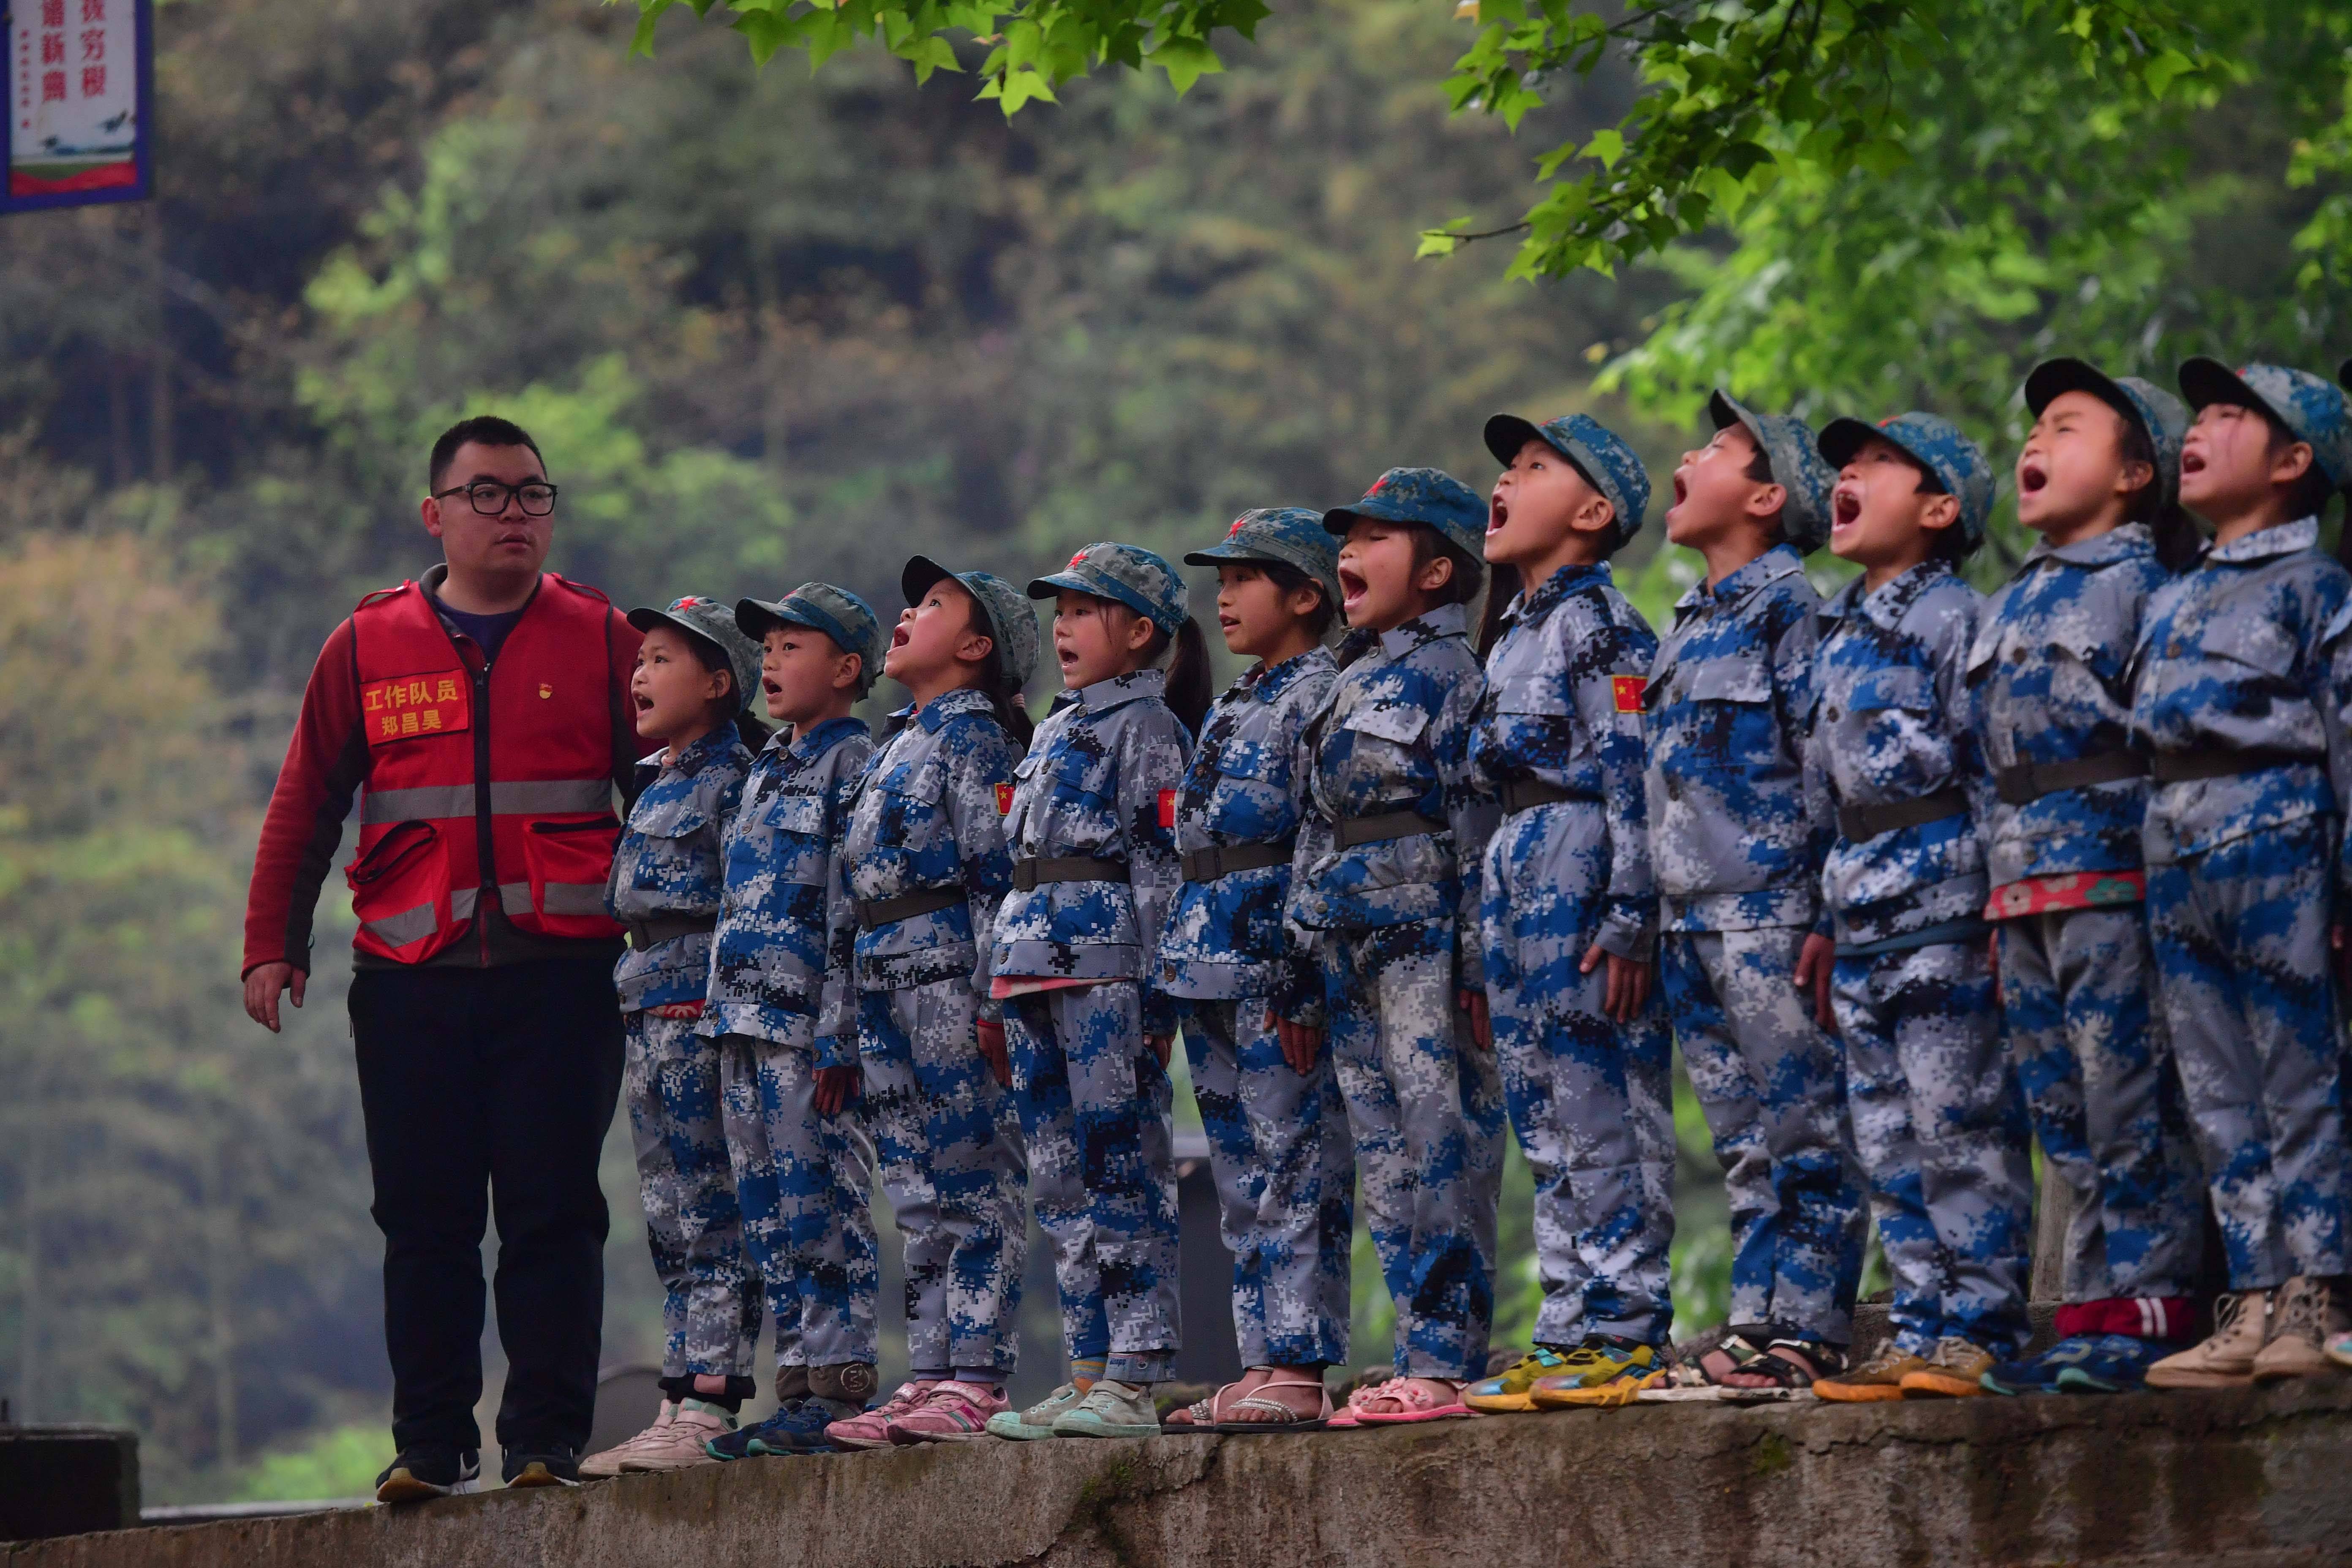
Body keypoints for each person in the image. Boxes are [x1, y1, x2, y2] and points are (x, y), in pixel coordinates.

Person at [242, 415, 641, 1499]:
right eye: (488, 494)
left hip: (564, 970)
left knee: (555, 1211)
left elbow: (667, 802)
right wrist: (272, 945)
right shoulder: (367, 644)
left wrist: (682, 951)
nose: (514, 514)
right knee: (424, 1219)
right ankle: (429, 1444)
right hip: (409, 973)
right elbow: (304, 803)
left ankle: (546, 1443)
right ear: (436, 514)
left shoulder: (604, 637)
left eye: (532, 494)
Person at [1969, 361, 2206, 1396]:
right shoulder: (2013, 595)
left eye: (2066, 428)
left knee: (2130, 1103)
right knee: (2061, 1111)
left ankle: (2152, 1300)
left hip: (2114, 875)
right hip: (2018, 889)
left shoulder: (2151, 588)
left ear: (2134, 474)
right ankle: (2088, 1310)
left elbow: (2172, 744)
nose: (2036, 444)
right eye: (2032, 431)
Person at [1634, 393, 1867, 1396]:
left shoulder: (1793, 608)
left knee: (1808, 1124)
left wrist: (1823, 908)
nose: (1690, 454)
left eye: (1720, 448)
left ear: (1768, 497)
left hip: (1771, 912)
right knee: (1742, 1140)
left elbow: (1824, 764)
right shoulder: (1686, 622)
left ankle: (1812, 1326)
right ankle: (1760, 1315)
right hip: (1690, 919)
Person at [1801, 414, 2035, 1404]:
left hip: (1944, 907)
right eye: (1845, 465)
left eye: (1881, 466)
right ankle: (1918, 1322)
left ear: (1940, 509)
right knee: (1887, 1140)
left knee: (1961, 1127)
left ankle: (1981, 1326)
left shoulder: (1956, 620)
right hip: (1858, 918)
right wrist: (1821, 916)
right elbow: (1825, 792)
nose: (1849, 474)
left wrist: (1999, 906)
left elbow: (1990, 766)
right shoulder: (1838, 631)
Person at [2137, 361, 2352, 1388]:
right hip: (2174, 847)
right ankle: (2255, 1297)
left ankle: (2318, 1290)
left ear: (2294, 460)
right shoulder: (2171, 595)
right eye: (2201, 412)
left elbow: (2349, 738)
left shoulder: (2316, 585)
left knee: (2297, 1072)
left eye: (2233, 416)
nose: (2201, 428)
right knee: (2215, 1084)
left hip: (2278, 836)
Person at [1457, 413, 1676, 1414]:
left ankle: (1626, 1326)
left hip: (1584, 862)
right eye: (1507, 466)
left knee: (1604, 1097)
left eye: (1533, 468)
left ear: (1593, 513)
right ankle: (1568, 1324)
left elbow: (1635, 774)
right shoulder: (1516, 630)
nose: (1505, 480)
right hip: (1517, 869)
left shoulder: (1603, 625)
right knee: (1541, 1108)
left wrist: (1632, 916)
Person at [1281, 469, 1505, 1426]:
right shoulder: (1346, 675)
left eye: (1378, 538)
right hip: (1345, 938)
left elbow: (1477, 819)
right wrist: (1297, 958)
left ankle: (1450, 1357)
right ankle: (1416, 1346)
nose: (1349, 555)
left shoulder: (1456, 674)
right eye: (1348, 537)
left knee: (1440, 1134)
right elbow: (1312, 825)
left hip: (1424, 937)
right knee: (1384, 1155)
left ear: (1439, 568)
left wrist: (1477, 963)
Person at [979, 543, 1206, 1442]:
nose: (1064, 628)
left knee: (1123, 1170)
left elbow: (1161, 868)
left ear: (1139, 631)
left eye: (1084, 611)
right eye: (1059, 612)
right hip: (1032, 966)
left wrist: (1159, 1002)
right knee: (1061, 1180)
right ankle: (1086, 1367)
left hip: (1107, 968)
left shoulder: (1147, 727)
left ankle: (1137, 1371)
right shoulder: (1053, 725)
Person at [824, 559, 1037, 1448]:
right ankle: (932, 1370)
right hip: (884, 976)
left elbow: (997, 877)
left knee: (975, 1175)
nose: (909, 613)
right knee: (914, 1188)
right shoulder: (897, 742)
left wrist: (995, 997)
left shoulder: (974, 739)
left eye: (936, 605)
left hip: (949, 976)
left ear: (977, 646)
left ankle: (979, 1377)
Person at [1160, 509, 1352, 1432]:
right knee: (1238, 1175)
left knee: (1295, 1160)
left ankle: (1303, 1362)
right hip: (1208, 958)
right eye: (1221, 579)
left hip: (1276, 961)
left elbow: (1318, 838)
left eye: (1247, 578)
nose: (1225, 596)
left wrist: (1305, 975)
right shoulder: (1243, 699)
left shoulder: (1323, 692)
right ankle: (1260, 1357)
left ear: (1307, 595)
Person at [683, 584, 883, 1459]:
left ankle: (839, 1385)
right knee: (767, 1213)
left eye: (795, 645)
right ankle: (796, 1384)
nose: (770, 660)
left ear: (846, 669)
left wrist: (841, 1028)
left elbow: (854, 905)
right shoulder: (769, 764)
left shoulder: (854, 763)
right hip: (741, 1023)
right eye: (766, 645)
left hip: (808, 1028)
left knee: (823, 1205)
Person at [580, 597, 764, 1476]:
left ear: (720, 681)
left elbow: (749, 906)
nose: (640, 675)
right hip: (647, 1012)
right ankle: (678, 1396)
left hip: (701, 1013)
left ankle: (711, 1399)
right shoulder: (660, 778)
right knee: (671, 1217)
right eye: (640, 659)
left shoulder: (739, 779)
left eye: (662, 659)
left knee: (713, 1208)